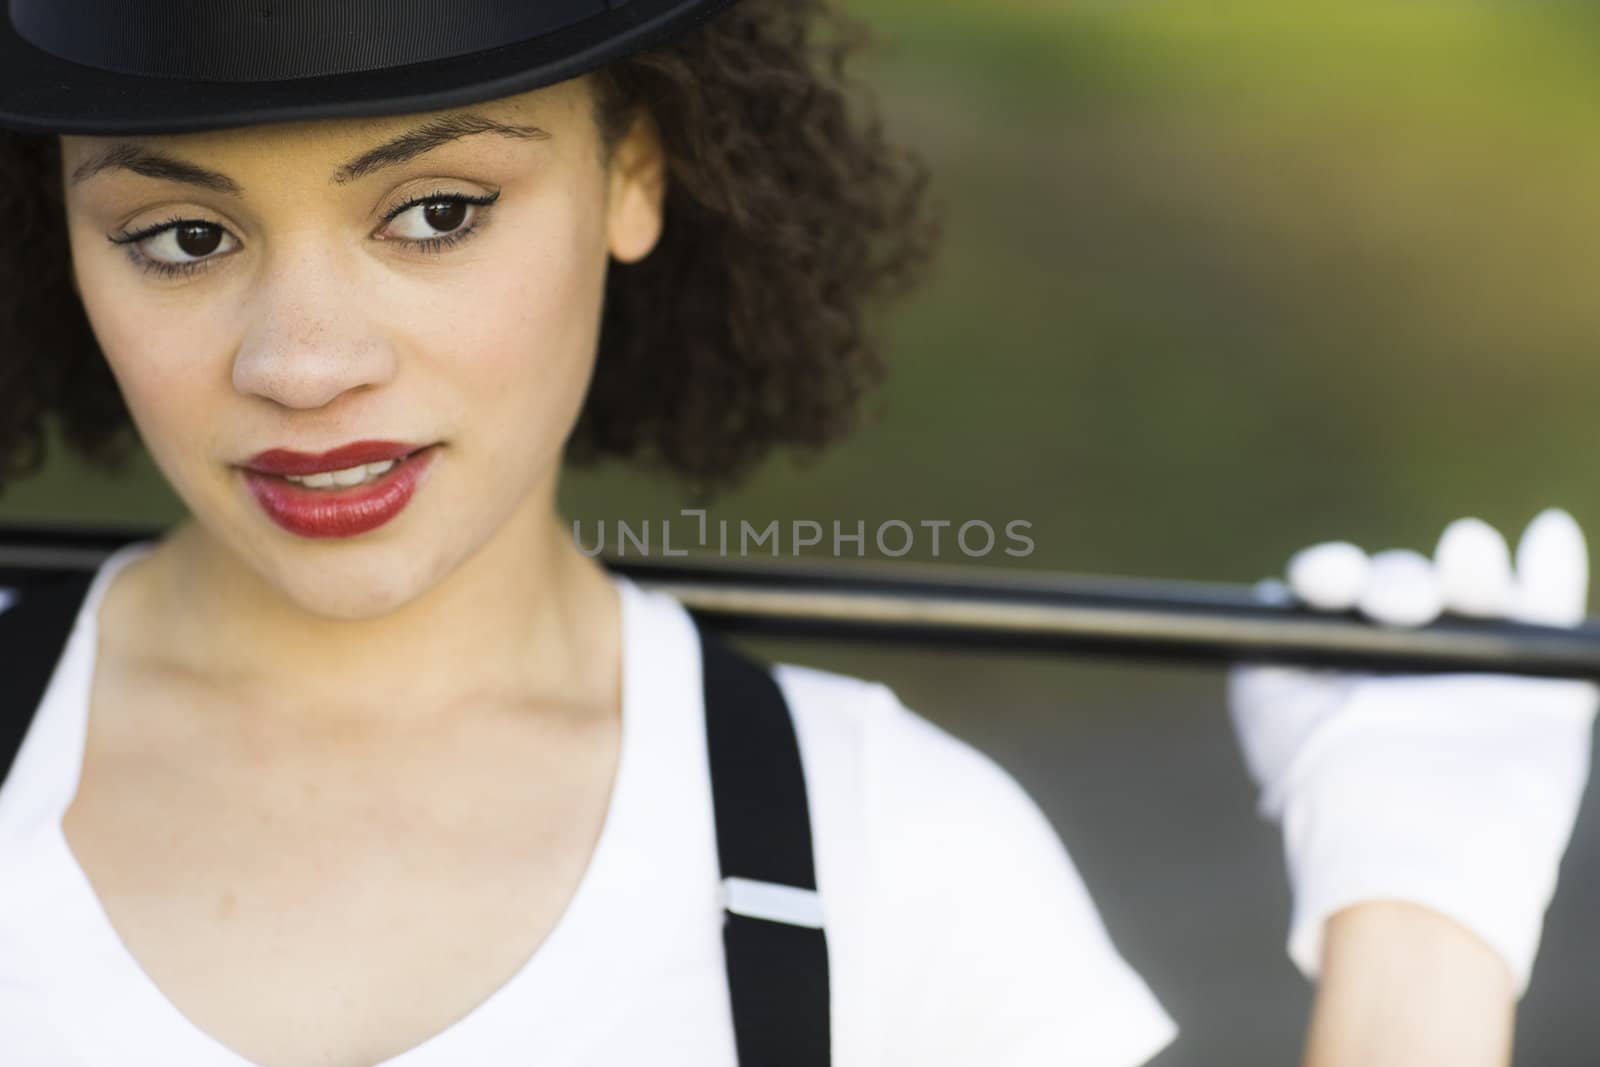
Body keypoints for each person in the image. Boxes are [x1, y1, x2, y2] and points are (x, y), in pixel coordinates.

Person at [0, 2, 1590, 1065]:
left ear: (635, 173)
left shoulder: (887, 850)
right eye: (184, 236)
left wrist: (1421, 932)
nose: (302, 361)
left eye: (436, 212)